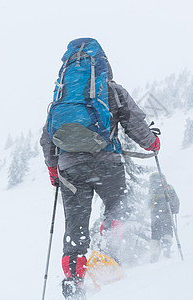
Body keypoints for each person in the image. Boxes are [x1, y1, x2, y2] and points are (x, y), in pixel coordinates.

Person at [40, 38, 160, 300]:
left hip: (70, 168)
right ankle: (109, 255)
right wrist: (153, 143)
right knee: (117, 206)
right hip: (107, 163)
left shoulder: (61, 96)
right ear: (103, 63)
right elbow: (135, 124)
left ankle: (73, 279)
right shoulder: (112, 90)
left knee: (75, 225)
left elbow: (47, 136)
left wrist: (53, 170)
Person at [148, 172, 179, 263]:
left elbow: (147, 203)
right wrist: (175, 210)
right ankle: (166, 246)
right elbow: (176, 200)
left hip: (155, 215)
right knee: (167, 229)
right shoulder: (168, 188)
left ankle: (154, 254)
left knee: (155, 234)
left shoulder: (151, 190)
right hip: (167, 212)